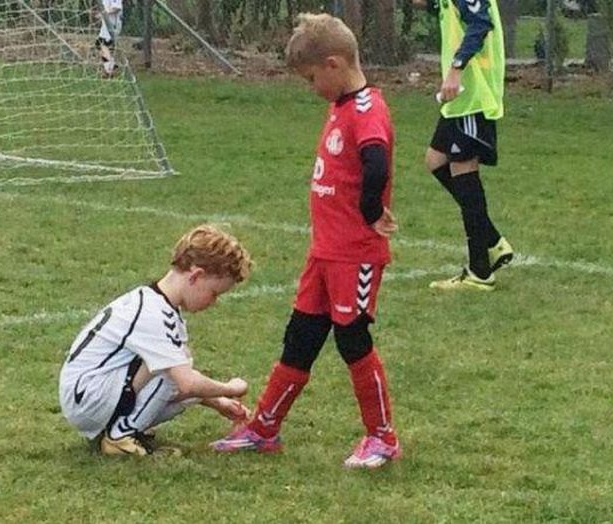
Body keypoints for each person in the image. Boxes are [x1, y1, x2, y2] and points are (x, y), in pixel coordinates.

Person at [211, 13, 401, 469]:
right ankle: (264, 427)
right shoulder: (341, 106)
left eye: (312, 78)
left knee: (352, 339)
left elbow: (376, 162)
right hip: (323, 254)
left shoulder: (366, 109)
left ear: (334, 65)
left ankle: (382, 437)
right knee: (300, 337)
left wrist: (371, 212)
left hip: (353, 255)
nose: (312, 87)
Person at [59, 224, 253, 456]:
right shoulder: (153, 313)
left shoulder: (158, 304)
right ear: (196, 276)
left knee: (179, 368)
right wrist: (230, 388)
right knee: (175, 370)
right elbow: (186, 383)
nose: (214, 302)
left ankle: (121, 429)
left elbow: (187, 385)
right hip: (88, 398)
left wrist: (219, 403)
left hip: (88, 395)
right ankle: (119, 437)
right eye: (214, 293)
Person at [413, 0, 513, 290]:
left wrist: (457, 68)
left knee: (463, 170)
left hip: (473, 94)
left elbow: (480, 23)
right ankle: (491, 240)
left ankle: (480, 271)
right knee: (435, 160)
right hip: (460, 100)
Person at [95, 0, 123, 77]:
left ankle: (110, 68)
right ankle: (110, 67)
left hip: (112, 24)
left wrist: (104, 13)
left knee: (102, 44)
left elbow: (116, 8)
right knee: (101, 44)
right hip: (106, 24)